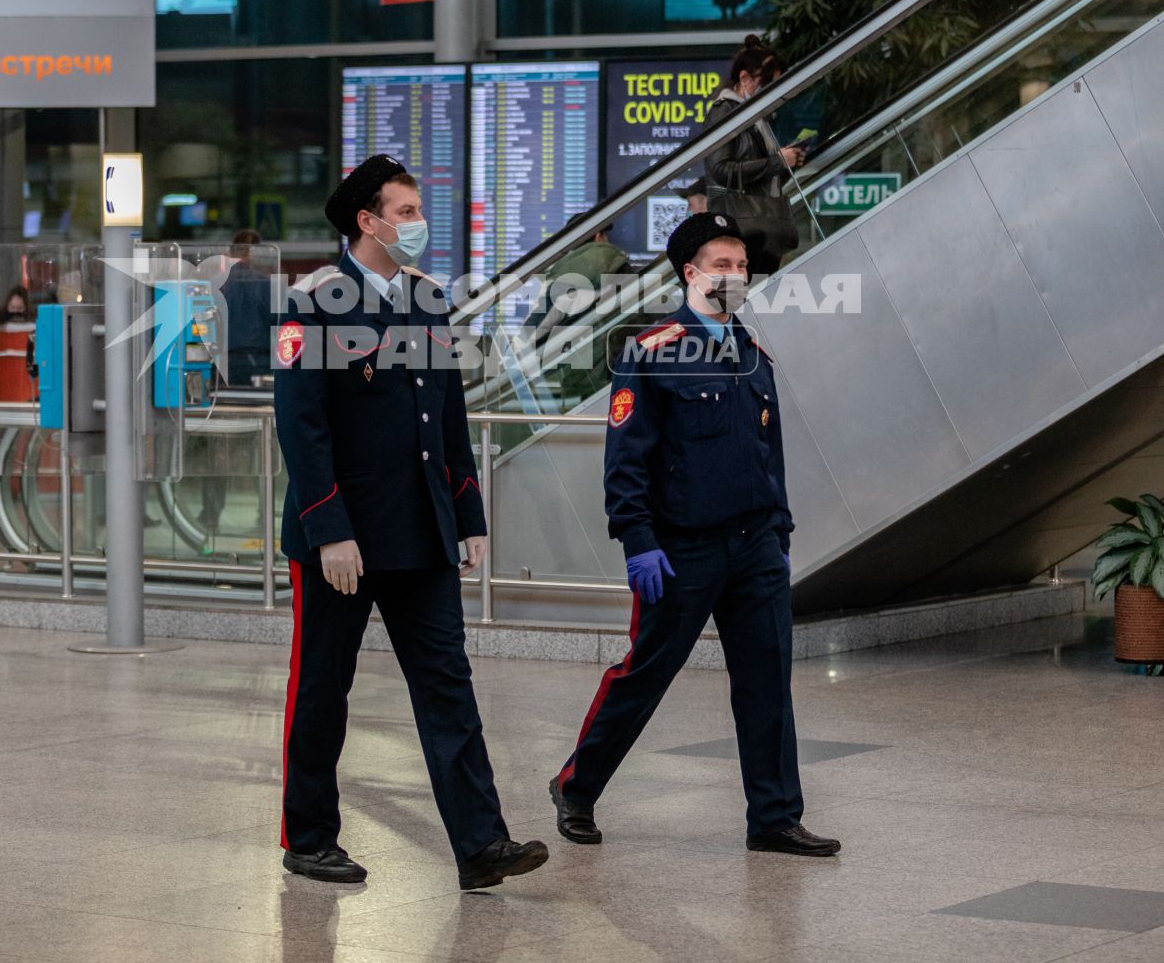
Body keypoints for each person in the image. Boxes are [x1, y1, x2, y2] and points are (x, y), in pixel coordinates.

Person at [273, 154, 548, 892]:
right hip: (345, 540)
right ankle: (309, 835)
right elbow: (302, 428)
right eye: (404, 211)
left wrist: (467, 513)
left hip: (421, 531)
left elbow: (446, 417)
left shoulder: (427, 301)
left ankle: (482, 843)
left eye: (415, 210)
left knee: (447, 683)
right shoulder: (313, 303)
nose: (417, 223)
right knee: (323, 687)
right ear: (366, 221)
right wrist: (328, 526)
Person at [549, 211, 840, 860]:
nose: (734, 275)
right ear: (690, 272)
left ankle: (774, 815)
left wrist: (780, 532)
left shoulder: (754, 355)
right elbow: (626, 461)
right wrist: (637, 540)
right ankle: (577, 786)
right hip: (680, 551)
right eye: (721, 264)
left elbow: (770, 453)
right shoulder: (651, 354)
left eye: (740, 266)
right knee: (646, 674)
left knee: (767, 679)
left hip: (757, 546)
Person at [705, 35, 807, 279]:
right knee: (745, 297)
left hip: (760, 230)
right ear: (744, 78)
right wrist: (777, 162)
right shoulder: (725, 112)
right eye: (768, 86)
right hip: (742, 229)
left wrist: (788, 160)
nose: (772, 94)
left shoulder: (756, 118)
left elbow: (757, 171)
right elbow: (720, 168)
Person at [195, 231, 273, 542]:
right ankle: (264, 515)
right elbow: (279, 327)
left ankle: (210, 514)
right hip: (257, 371)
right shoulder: (266, 285)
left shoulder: (216, 285)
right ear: (255, 253)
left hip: (221, 371)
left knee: (218, 446)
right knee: (261, 443)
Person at [524, 221, 633, 404]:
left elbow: (532, 333)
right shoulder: (624, 269)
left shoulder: (564, 279)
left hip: (587, 381)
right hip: (624, 373)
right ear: (599, 236)